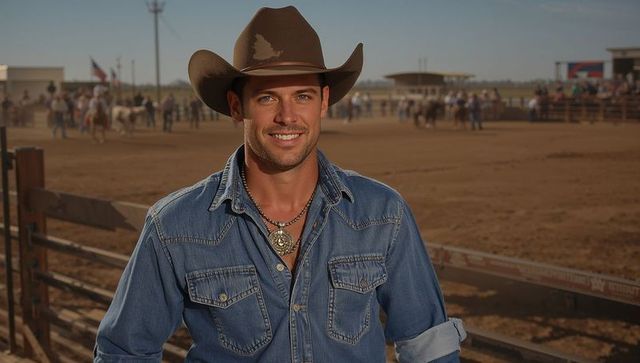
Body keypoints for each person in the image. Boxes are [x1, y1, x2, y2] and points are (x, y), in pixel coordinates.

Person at [94, 6, 465, 363]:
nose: (287, 116)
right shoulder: (174, 226)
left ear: (323, 102)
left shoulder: (383, 214)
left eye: (302, 96)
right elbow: (124, 351)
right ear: (237, 106)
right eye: (267, 97)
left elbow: (427, 343)